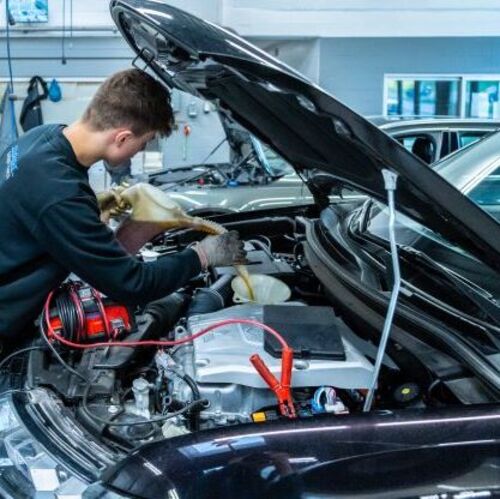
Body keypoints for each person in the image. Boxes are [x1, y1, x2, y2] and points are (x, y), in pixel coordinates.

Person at [0, 69, 245, 343]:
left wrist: (90, 208)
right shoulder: (59, 192)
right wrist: (201, 256)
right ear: (122, 138)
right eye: (144, 143)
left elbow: (34, 210)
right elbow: (132, 284)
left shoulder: (41, 137)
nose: (140, 151)